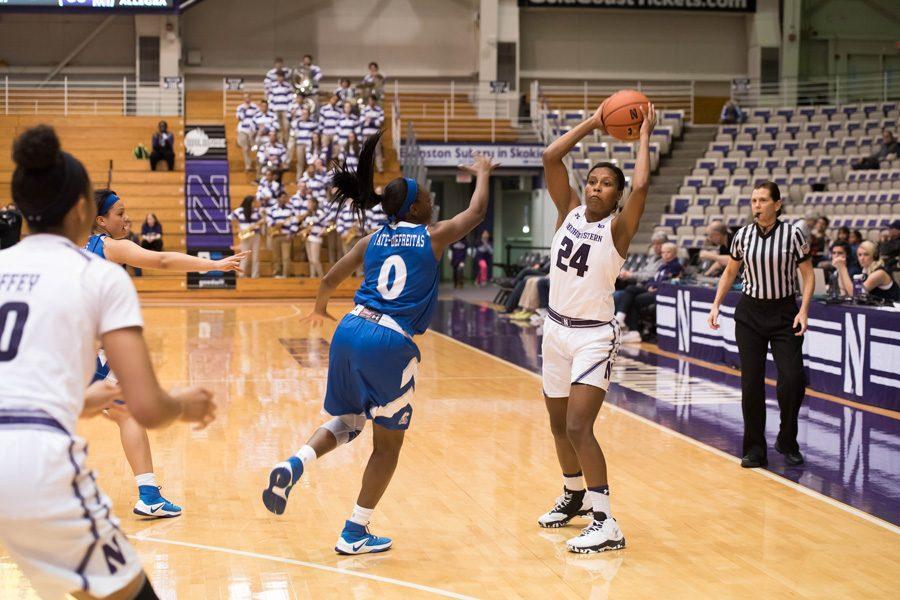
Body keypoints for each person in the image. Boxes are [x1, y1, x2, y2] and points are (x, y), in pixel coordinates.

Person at [0, 124, 216, 600]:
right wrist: (185, 404)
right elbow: (148, 407)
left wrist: (77, 398)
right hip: (34, 467)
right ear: (83, 210)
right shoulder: (98, 273)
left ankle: (149, 493)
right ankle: (150, 494)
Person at [262, 132, 498, 554]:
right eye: (425, 198)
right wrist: (482, 173)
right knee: (387, 446)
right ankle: (355, 531)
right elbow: (477, 210)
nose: (431, 203)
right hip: (389, 339)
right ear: (415, 208)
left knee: (350, 421)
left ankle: (294, 462)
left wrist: (319, 310)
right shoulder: (434, 235)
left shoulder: (371, 240)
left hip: (350, 328)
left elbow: (329, 280)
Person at [537, 99, 657, 554]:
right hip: (554, 330)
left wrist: (642, 132)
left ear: (616, 196)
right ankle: (573, 496)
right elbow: (551, 157)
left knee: (578, 426)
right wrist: (595, 121)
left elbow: (643, 183)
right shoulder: (566, 209)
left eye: (607, 184)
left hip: (592, 335)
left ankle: (606, 520)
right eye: (592, 181)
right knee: (556, 426)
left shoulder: (618, 229)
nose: (595, 188)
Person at [86, 188, 245, 518]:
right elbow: (161, 259)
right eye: (119, 213)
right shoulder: (110, 247)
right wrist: (213, 264)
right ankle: (148, 494)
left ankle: (148, 493)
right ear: (101, 220)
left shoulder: (71, 248)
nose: (126, 218)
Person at [708, 181, 814, 469]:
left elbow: (808, 274)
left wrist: (803, 310)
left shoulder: (793, 234)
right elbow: (731, 271)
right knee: (751, 383)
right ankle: (754, 449)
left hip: (783, 313)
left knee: (792, 379)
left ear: (777, 205)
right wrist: (716, 303)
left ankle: (787, 439)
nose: (757, 205)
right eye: (754, 200)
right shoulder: (742, 236)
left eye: (763, 200)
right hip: (750, 314)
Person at [615, 242, 682, 342]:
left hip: (661, 292)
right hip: (652, 289)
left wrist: (653, 286)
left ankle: (633, 330)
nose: (665, 255)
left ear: (674, 253)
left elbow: (667, 281)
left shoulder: (676, 266)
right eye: (663, 252)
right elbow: (652, 279)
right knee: (630, 289)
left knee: (634, 300)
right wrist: (649, 285)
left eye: (668, 252)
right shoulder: (662, 266)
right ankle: (621, 319)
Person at [230, 195, 264, 278]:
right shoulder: (240, 210)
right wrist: (238, 228)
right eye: (254, 201)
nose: (255, 203)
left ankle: (255, 275)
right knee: (244, 255)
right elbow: (231, 218)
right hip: (245, 235)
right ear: (249, 202)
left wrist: (260, 222)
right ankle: (241, 274)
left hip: (255, 234)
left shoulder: (257, 211)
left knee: (256, 255)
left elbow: (263, 220)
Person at [266, 191, 295, 278]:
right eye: (283, 197)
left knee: (286, 258)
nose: (284, 199)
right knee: (276, 257)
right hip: (276, 235)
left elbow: (294, 222)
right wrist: (278, 224)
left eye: (285, 197)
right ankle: (278, 274)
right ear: (278, 198)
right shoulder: (272, 209)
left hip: (286, 235)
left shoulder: (290, 209)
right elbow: (269, 222)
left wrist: (291, 234)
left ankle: (286, 275)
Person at [288, 106, 319, 175]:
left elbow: (316, 132)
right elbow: (292, 131)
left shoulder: (312, 123)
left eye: (306, 114)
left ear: (309, 114)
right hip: (300, 144)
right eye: (303, 114)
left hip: (309, 145)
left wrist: (314, 136)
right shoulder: (297, 122)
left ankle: (308, 178)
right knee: (300, 162)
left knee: (309, 162)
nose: (304, 115)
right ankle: (299, 179)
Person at [267, 70, 294, 144]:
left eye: (281, 76)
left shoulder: (287, 86)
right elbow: (271, 99)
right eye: (279, 76)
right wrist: (271, 111)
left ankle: (286, 143)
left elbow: (290, 99)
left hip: (285, 110)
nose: (280, 78)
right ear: (277, 77)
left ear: (283, 77)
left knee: (286, 126)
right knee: (277, 127)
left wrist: (289, 111)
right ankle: (280, 143)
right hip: (276, 110)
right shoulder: (273, 86)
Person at [360, 95, 385, 172]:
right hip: (366, 134)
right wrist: (374, 121)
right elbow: (362, 122)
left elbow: (380, 122)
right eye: (370, 100)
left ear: (375, 101)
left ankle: (380, 168)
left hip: (375, 135)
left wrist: (370, 121)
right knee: (366, 151)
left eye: (373, 100)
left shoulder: (379, 110)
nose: (372, 102)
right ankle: (366, 168)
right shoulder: (364, 110)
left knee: (377, 151)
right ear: (368, 101)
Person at [236, 93, 260, 172]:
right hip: (243, 130)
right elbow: (240, 118)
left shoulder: (255, 107)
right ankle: (248, 166)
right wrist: (245, 109)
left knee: (255, 148)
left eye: (248, 97)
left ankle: (258, 165)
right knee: (245, 148)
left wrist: (255, 130)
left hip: (252, 131)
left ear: (250, 97)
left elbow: (257, 119)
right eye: (245, 97)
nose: (247, 99)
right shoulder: (240, 108)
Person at [318, 95, 342, 160]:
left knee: (335, 153)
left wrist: (338, 134)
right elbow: (321, 122)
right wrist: (321, 134)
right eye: (333, 99)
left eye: (336, 100)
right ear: (330, 99)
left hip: (335, 134)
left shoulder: (339, 111)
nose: (335, 101)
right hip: (325, 133)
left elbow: (339, 123)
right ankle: (324, 169)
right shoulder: (323, 109)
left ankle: (332, 169)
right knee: (324, 153)